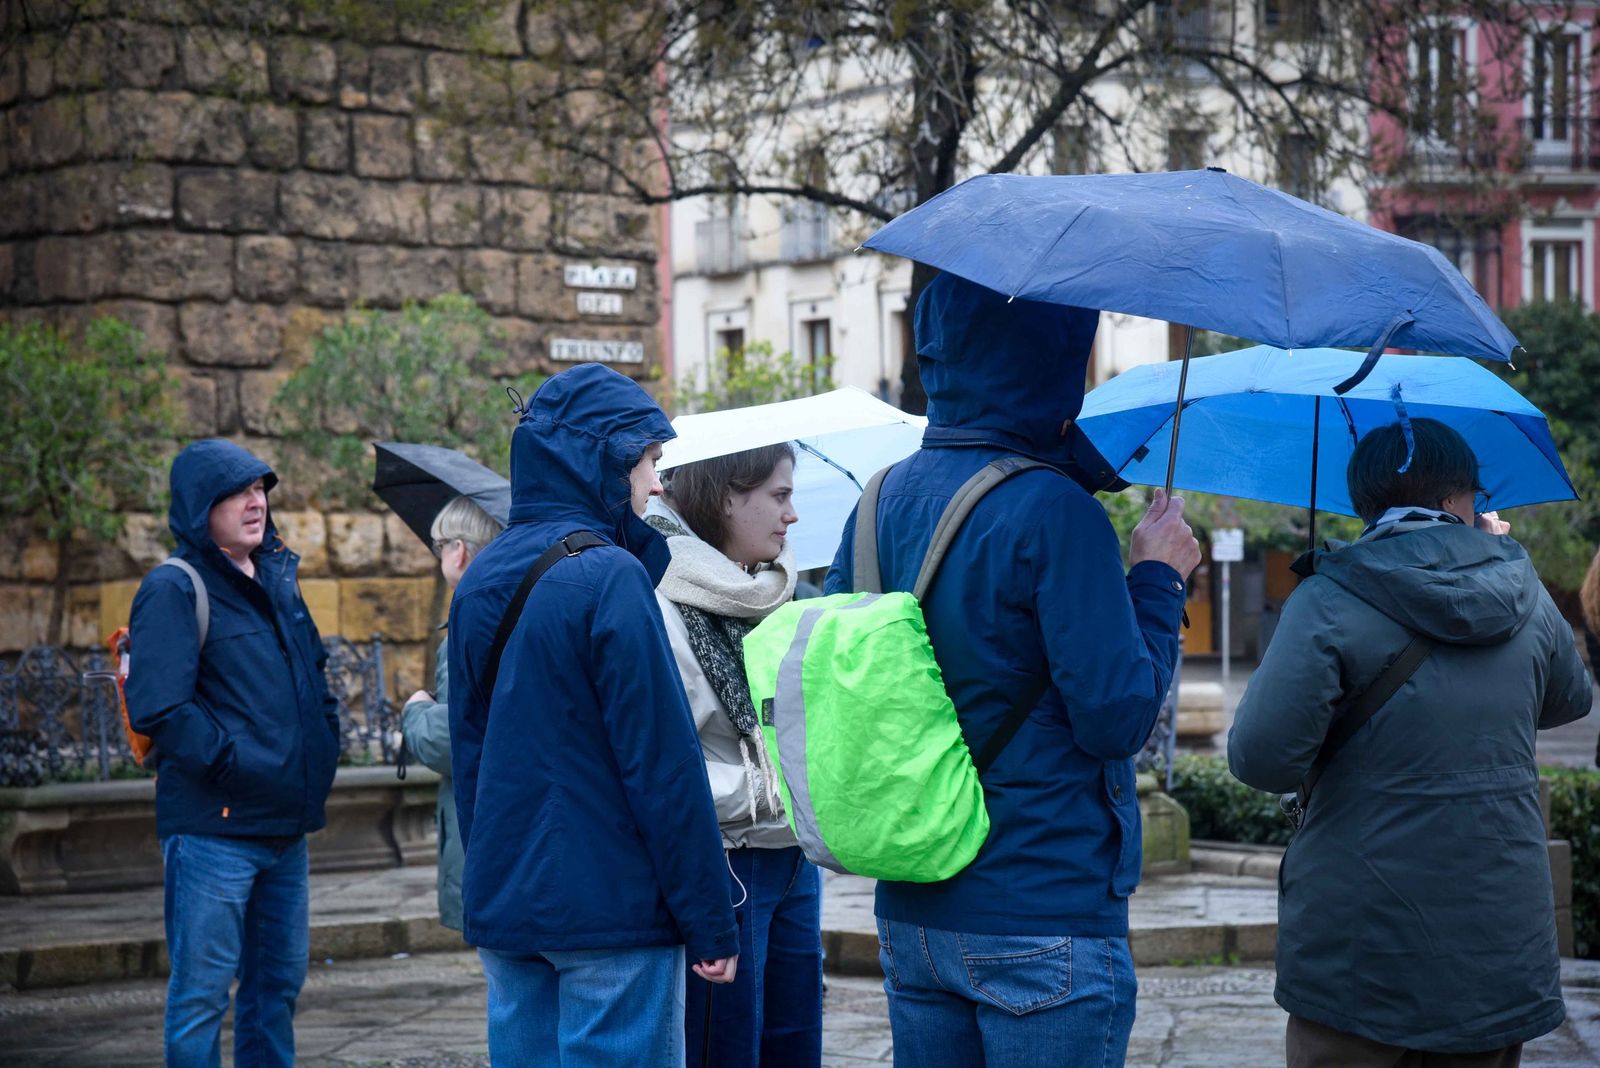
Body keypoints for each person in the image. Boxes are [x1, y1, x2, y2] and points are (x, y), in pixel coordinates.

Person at [825, 273, 1199, 1066]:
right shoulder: (1054, 511)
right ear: (1054, 360)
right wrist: (1158, 580)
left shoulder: (878, 498)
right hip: (1041, 906)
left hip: (912, 908)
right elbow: (1117, 718)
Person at [1228, 418, 1593, 1068]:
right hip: (1496, 945)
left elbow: (1260, 757)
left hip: (1360, 955)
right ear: (1461, 499)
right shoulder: (1527, 592)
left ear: (1365, 501)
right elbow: (1571, 698)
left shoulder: (1329, 596)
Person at [447, 363, 739, 1066]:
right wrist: (709, 921)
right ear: (603, 462)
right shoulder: (610, 575)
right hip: (614, 914)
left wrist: (491, 882)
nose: (656, 482)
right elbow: (661, 762)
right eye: (648, 461)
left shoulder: (481, 575)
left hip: (512, 909)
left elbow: (470, 757)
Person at [126, 439, 341, 1068]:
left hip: (285, 829)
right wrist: (235, 767)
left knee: (276, 991)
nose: (255, 502)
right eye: (236, 493)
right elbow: (161, 707)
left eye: (260, 490)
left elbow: (315, 680)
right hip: (214, 832)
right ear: (200, 507)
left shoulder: (277, 579)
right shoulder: (173, 588)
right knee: (201, 997)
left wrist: (321, 754)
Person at [645, 444, 823, 1067]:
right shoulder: (659, 600)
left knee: (794, 1044)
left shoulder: (774, 594)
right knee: (728, 1050)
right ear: (726, 497)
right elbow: (665, 761)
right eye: (779, 496)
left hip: (795, 854)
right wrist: (780, 786)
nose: (793, 515)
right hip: (727, 863)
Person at [400, 495, 502, 934]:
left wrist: (416, 712)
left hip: (481, 832)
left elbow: (455, 740)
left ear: (458, 550)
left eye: (440, 545)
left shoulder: (468, 627)